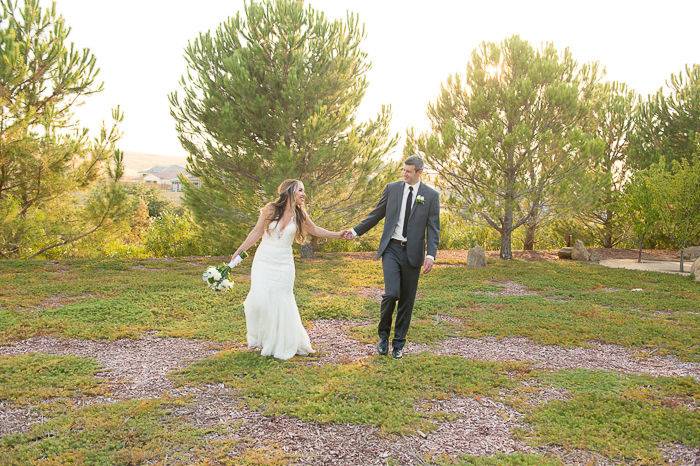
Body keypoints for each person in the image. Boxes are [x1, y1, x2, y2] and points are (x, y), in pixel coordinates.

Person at [230, 179, 348, 360]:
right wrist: (239, 251)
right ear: (290, 191)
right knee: (259, 300)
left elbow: (315, 230)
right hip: (264, 260)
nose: (303, 194)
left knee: (282, 300)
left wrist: (338, 234)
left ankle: (281, 342)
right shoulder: (270, 209)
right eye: (300, 190)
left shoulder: (300, 214)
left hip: (284, 264)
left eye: (303, 191)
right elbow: (256, 232)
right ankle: (263, 338)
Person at [343, 156, 440, 359]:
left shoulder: (430, 196)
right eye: (403, 170)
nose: (405, 174)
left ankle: (398, 344)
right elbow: (376, 214)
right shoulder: (392, 188)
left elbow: (433, 228)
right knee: (391, 293)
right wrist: (355, 231)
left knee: (407, 300)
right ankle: (383, 337)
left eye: (409, 171)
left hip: (413, 254)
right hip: (392, 249)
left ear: (419, 172)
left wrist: (431, 255)